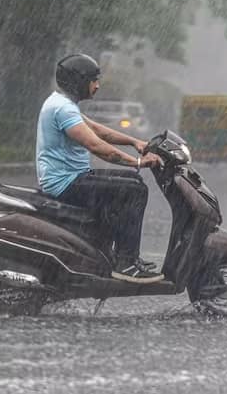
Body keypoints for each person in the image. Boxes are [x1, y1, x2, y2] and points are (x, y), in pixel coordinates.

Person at [36, 53, 164, 284]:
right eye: (93, 80)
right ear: (78, 81)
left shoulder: (63, 103)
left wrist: (136, 142)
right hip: (65, 183)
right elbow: (96, 145)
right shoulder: (62, 109)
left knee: (133, 183)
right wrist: (136, 162)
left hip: (72, 178)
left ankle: (119, 255)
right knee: (134, 190)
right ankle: (125, 262)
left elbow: (98, 130)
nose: (97, 85)